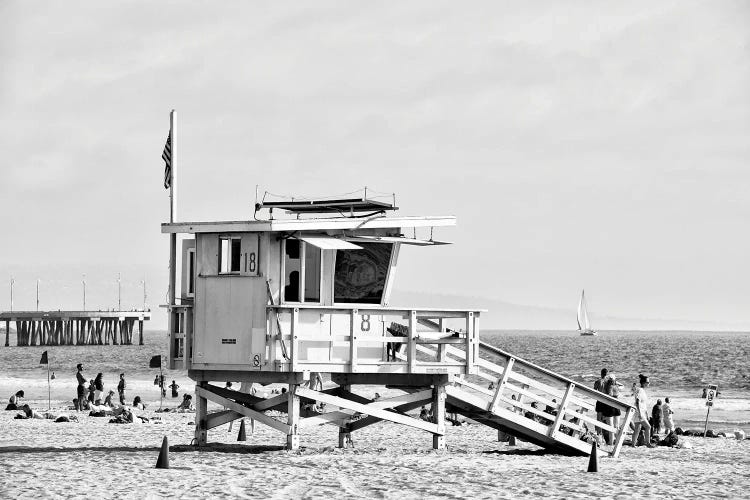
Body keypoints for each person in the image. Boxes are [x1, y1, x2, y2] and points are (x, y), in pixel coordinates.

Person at [631, 374, 655, 448]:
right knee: (648, 427)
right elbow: (637, 401)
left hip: (641, 412)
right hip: (639, 413)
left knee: (637, 429)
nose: (649, 383)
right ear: (644, 383)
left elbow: (643, 404)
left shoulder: (641, 390)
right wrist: (640, 413)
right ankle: (648, 443)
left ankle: (633, 445)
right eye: (648, 382)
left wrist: (646, 413)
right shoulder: (640, 390)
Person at [602, 374, 623, 445]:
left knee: (611, 428)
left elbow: (604, 381)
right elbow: (623, 386)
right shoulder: (616, 387)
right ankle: (617, 443)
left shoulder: (606, 386)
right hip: (616, 407)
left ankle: (611, 444)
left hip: (609, 407)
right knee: (616, 427)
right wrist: (616, 382)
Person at [593, 368, 609, 436]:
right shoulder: (608, 381)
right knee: (605, 419)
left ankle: (599, 433)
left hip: (599, 401)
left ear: (601, 373)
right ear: (607, 374)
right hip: (606, 401)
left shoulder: (598, 381)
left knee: (599, 419)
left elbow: (594, 390)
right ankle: (605, 434)